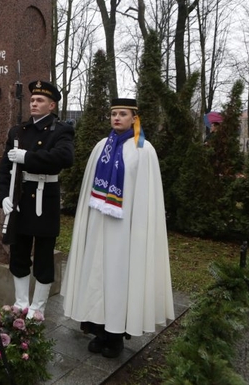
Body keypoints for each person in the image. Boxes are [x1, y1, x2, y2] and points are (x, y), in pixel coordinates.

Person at [61, 98, 174, 359]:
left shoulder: (144, 150)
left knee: (119, 278)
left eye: (122, 114)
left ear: (135, 118)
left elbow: (146, 197)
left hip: (126, 229)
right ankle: (99, 330)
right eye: (113, 113)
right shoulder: (102, 147)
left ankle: (116, 337)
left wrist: (139, 228)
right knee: (98, 276)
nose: (116, 118)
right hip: (99, 226)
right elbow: (90, 189)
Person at [0, 80, 75, 320]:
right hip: (20, 197)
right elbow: (4, 168)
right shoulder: (18, 131)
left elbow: (63, 158)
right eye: (32, 99)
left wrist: (28, 157)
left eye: (40, 100)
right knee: (18, 253)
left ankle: (38, 308)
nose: (34, 103)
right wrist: (4, 197)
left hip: (44, 199)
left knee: (43, 256)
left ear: (52, 105)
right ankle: (21, 302)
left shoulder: (60, 130)